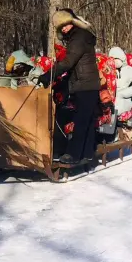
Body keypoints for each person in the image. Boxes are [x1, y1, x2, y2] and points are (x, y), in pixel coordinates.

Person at [38, 9, 101, 164]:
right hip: (86, 83)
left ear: (72, 22)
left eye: (65, 24)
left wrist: (49, 75)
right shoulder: (79, 36)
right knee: (86, 119)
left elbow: (68, 62)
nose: (64, 28)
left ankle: (73, 154)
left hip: (85, 84)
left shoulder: (78, 38)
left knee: (80, 120)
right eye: (61, 27)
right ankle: (87, 153)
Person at [108, 47, 132, 121]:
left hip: (125, 98)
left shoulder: (129, 70)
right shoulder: (108, 70)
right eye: (112, 59)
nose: (114, 61)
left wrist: (122, 94)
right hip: (110, 98)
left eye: (116, 59)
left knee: (118, 101)